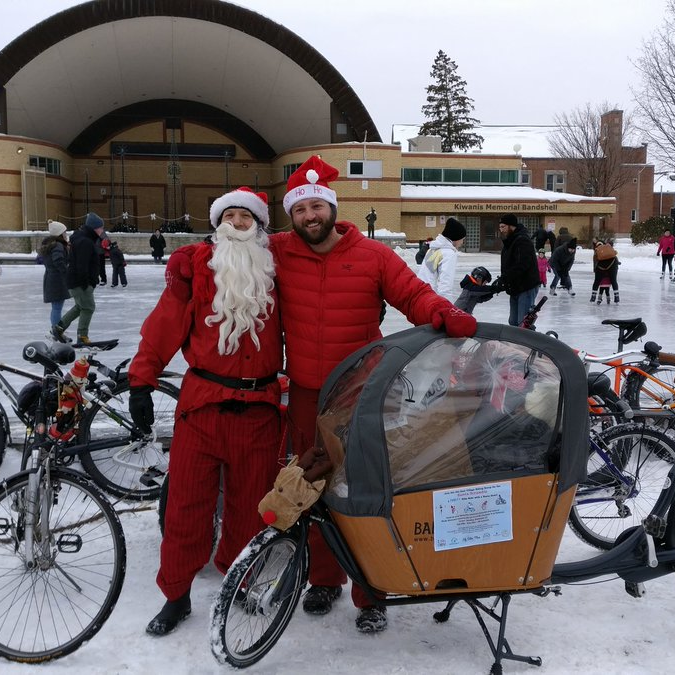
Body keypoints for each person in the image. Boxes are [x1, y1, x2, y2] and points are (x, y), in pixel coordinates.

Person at [269, 155, 477, 634]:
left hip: (361, 395)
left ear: (331, 208)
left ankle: (372, 589)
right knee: (312, 488)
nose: (309, 217)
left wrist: (442, 312)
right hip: (304, 393)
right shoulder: (280, 251)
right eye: (299, 211)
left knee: (367, 489)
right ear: (291, 216)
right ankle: (323, 579)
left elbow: (413, 293)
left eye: (316, 207)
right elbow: (232, 244)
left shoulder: (373, 256)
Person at [127, 187, 283, 637]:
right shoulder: (194, 266)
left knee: (252, 511)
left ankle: (242, 583)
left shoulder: (276, 269)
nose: (236, 223)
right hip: (202, 407)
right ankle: (176, 596)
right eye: (229, 215)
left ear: (259, 225)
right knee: (185, 507)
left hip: (259, 410)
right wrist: (142, 378)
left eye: (245, 217)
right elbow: (165, 322)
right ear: (217, 223)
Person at [56, 212, 105, 344]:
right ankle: (82, 336)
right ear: (95, 228)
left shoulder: (82, 238)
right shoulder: (85, 242)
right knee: (88, 308)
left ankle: (58, 329)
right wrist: (86, 284)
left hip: (75, 281)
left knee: (80, 307)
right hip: (80, 282)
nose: (102, 230)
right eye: (101, 227)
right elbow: (82, 265)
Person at [496, 213, 541, 326]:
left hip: (526, 286)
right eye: (500, 227)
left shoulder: (522, 241)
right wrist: (503, 281)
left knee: (523, 323)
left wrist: (504, 279)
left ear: (512, 226)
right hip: (515, 287)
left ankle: (528, 343)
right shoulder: (510, 241)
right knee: (513, 322)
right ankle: (515, 343)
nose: (501, 230)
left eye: (503, 227)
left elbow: (522, 265)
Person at [416, 217, 466, 300]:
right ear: (456, 237)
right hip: (430, 298)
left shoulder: (433, 249)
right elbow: (445, 285)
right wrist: (446, 309)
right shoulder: (449, 254)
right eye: (462, 239)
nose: (462, 242)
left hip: (420, 293)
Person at [41, 220, 72, 342]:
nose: (66, 234)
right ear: (60, 233)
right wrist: (65, 271)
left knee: (56, 306)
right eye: (64, 232)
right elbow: (58, 260)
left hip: (51, 278)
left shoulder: (50, 244)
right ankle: (56, 331)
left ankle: (57, 329)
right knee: (57, 306)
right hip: (56, 280)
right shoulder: (58, 245)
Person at [589, 239, 620, 304]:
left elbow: (595, 263)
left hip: (601, 267)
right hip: (612, 264)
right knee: (614, 280)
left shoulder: (597, 251)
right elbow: (615, 258)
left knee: (597, 281)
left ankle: (593, 297)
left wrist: (595, 270)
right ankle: (616, 297)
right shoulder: (608, 250)